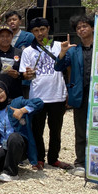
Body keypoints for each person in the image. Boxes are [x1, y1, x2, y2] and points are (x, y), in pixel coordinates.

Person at [19, 17, 70, 170]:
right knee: (37, 129)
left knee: (56, 129)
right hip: (38, 96)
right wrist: (27, 74)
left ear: (48, 29)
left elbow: (67, 69)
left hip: (57, 94)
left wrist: (68, 91)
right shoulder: (28, 51)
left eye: (42, 29)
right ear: (32, 32)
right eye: (36, 30)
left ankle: (53, 158)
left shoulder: (58, 47)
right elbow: (24, 75)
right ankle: (39, 158)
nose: (40, 33)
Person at [54, 14, 95, 177]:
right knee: (80, 129)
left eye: (85, 26)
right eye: (78, 28)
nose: (82, 29)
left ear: (92, 27)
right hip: (80, 95)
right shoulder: (74, 50)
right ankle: (80, 162)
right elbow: (58, 67)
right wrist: (63, 53)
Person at [0, 82, 42, 182]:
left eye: (1, 91)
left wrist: (22, 110)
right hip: (3, 146)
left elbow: (39, 102)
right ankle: (9, 162)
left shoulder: (16, 102)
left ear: (6, 91)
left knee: (14, 137)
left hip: (19, 145)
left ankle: (11, 173)